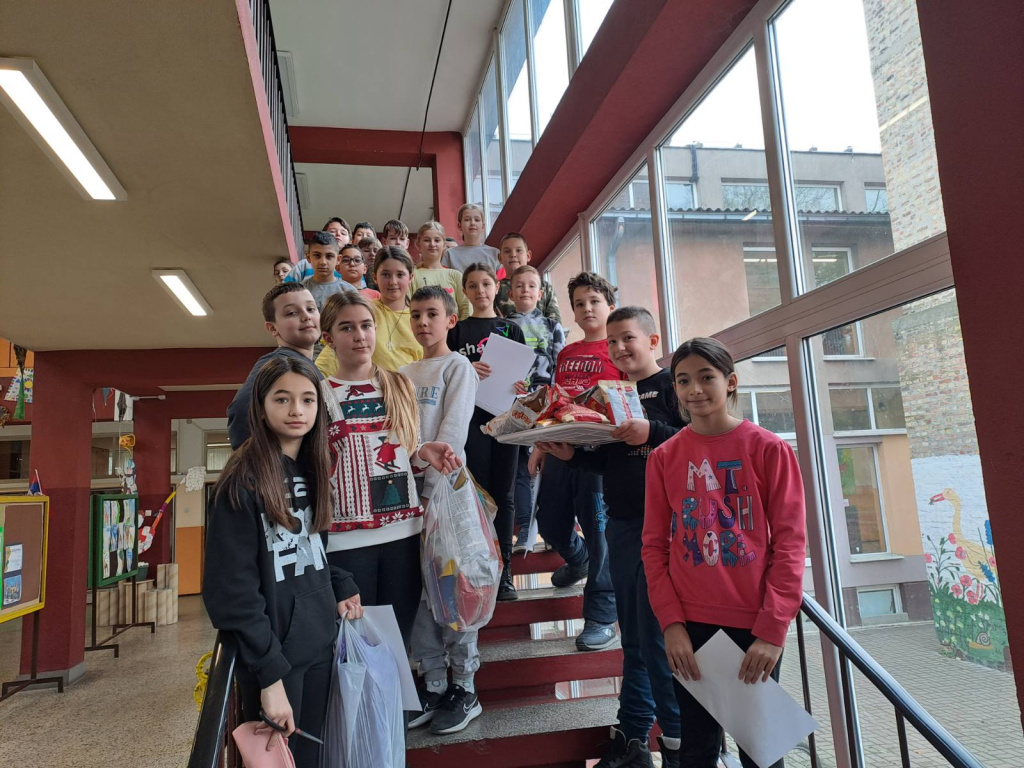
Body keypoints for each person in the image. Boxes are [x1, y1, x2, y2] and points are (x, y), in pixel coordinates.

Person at [642, 338, 806, 768]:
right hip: (689, 626)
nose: (694, 389)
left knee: (761, 754)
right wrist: (671, 624)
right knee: (695, 752)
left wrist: (772, 631)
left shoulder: (769, 449)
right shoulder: (663, 457)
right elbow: (654, 547)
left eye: (706, 377)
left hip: (754, 626)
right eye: (683, 381)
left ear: (730, 381)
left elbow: (790, 544)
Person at [538, 307, 683, 768]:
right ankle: (632, 739)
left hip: (667, 530)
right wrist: (572, 456)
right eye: (613, 342)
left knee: (658, 642)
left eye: (628, 338)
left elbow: (694, 440)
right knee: (634, 640)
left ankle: (680, 745)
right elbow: (613, 461)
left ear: (653, 341)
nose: (620, 348)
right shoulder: (614, 393)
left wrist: (651, 431)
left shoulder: (674, 385)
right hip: (621, 525)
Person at [204, 355, 363, 768]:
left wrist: (338, 584)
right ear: (260, 406)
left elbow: (309, 552)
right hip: (274, 663)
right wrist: (270, 677)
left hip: (319, 648)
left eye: (308, 399)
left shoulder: (313, 470)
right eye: (282, 399)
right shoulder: (241, 482)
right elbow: (231, 591)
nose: (297, 410)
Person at [318, 291, 461, 648]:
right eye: (347, 328)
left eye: (366, 325)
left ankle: (400, 690)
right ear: (328, 338)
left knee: (398, 644)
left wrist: (424, 451)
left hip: (403, 534)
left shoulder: (399, 384)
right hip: (346, 540)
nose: (360, 335)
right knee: (356, 646)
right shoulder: (319, 394)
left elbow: (406, 451)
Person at [400, 286, 483, 735]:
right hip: (405, 496)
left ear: (451, 320)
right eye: (415, 314)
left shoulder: (457, 367)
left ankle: (464, 685)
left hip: (445, 494)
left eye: (432, 314)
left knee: (453, 588)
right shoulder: (400, 373)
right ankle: (432, 681)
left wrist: (432, 489)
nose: (422, 322)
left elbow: (453, 431)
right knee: (418, 590)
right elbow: (398, 433)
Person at [530, 272, 623, 651]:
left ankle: (602, 616)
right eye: (580, 303)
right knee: (550, 523)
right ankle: (576, 557)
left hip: (599, 457)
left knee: (600, 536)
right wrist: (539, 445)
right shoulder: (567, 353)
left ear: (610, 306)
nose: (587, 308)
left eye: (594, 301)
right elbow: (556, 401)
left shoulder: (619, 349)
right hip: (560, 450)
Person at [447, 263, 527, 601]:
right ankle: (480, 568)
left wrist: (522, 386)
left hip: (505, 420)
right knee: (478, 494)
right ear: (464, 291)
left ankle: (505, 571)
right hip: (470, 421)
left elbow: (523, 379)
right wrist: (466, 368)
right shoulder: (456, 331)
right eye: (473, 285)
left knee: (504, 495)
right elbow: (446, 372)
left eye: (486, 284)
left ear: (497, 288)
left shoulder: (511, 329)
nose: (480, 291)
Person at [506, 265, 566, 549]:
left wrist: (554, 400)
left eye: (531, 286)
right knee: (521, 467)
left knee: (549, 465)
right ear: (510, 293)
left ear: (540, 293)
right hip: (514, 403)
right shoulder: (502, 325)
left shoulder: (552, 326)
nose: (525, 290)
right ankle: (525, 528)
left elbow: (560, 365)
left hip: (546, 402)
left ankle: (553, 529)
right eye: (519, 286)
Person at [227, 283, 323, 449]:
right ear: (272, 328)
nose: (306, 316)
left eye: (311, 309)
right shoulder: (278, 363)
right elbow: (241, 410)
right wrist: (262, 461)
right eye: (292, 313)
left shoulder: (307, 366)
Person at [315, 246, 422, 376]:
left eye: (400, 275)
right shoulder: (362, 313)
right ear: (375, 277)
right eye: (385, 275)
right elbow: (333, 352)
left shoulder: (421, 318)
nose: (393, 282)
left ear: (411, 277)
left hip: (411, 386)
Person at [410, 221, 472, 320]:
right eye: (427, 240)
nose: (432, 244)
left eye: (437, 240)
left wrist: (461, 329)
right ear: (418, 244)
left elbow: (466, 308)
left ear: (444, 245)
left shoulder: (455, 276)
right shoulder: (412, 275)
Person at [495, 233, 561, 323]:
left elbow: (555, 323)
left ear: (528, 256)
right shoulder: (495, 288)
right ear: (500, 258)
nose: (513, 255)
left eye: (518, 250)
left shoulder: (544, 287)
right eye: (507, 251)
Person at [286, 218, 350, 283]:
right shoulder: (304, 265)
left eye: (343, 233)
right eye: (332, 231)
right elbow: (285, 287)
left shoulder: (352, 267)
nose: (338, 234)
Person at [302, 232, 355, 311]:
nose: (323, 262)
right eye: (317, 255)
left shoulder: (349, 291)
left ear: (338, 259)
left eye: (329, 256)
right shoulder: (301, 290)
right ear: (309, 257)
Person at [442, 203, 501, 273]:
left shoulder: (494, 253)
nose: (472, 223)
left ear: (483, 226)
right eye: (467, 219)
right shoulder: (449, 254)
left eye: (477, 220)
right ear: (459, 226)